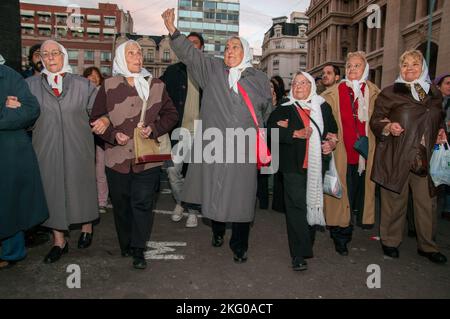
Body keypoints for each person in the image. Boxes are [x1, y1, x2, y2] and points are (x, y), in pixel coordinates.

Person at [162, 8, 272, 263]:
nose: (229, 51)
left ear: (246, 52)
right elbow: (191, 55)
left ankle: (240, 244)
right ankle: (219, 231)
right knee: (216, 190)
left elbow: (266, 109)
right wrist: (173, 31)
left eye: (235, 47)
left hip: (244, 148)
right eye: (227, 48)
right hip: (215, 145)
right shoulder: (212, 71)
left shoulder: (259, 79)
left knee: (242, 197)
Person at [90, 40, 178, 269]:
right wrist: (112, 134)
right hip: (116, 159)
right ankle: (126, 244)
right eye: (131, 53)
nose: (137, 57)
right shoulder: (108, 85)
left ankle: (139, 250)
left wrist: (154, 129)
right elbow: (97, 117)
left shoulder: (156, 84)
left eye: (139, 53)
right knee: (121, 205)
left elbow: (171, 114)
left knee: (143, 204)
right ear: (121, 57)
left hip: (146, 160)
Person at [26, 40, 104, 263]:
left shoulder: (83, 85)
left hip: (79, 146)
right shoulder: (29, 86)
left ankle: (87, 226)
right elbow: (26, 119)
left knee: (82, 186)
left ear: (64, 56)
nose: (50, 57)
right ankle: (59, 242)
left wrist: (105, 119)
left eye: (55, 53)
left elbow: (99, 111)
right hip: (45, 149)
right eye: (45, 54)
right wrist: (15, 108)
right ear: (40, 59)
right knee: (52, 192)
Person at [370, 50, 447, 264]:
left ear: (422, 68)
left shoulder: (434, 93)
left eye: (415, 64)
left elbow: (437, 116)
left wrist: (440, 130)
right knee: (394, 200)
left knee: (426, 203)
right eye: (405, 65)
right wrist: (388, 126)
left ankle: (428, 246)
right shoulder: (390, 92)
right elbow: (375, 121)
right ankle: (390, 241)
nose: (410, 68)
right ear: (400, 69)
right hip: (397, 154)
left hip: (425, 157)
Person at [267, 71, 338, 271]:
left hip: (316, 166)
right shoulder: (284, 107)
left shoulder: (322, 106)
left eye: (303, 83)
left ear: (311, 87)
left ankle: (306, 241)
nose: (298, 87)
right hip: (292, 167)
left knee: (311, 203)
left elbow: (333, 131)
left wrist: (331, 143)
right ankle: (299, 253)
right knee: (297, 208)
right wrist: (293, 133)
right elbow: (270, 130)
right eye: (295, 83)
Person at [321, 51, 380, 256]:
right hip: (341, 153)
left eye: (357, 66)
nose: (353, 69)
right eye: (349, 66)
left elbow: (381, 122)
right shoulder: (331, 94)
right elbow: (322, 122)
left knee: (357, 196)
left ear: (365, 69)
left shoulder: (375, 93)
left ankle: (349, 225)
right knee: (340, 195)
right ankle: (341, 235)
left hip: (365, 155)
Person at [0, 64, 49, 269]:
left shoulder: (8, 75)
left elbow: (30, 109)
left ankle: (11, 253)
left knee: (10, 202)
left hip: (8, 153)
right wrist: (4, 108)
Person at [160, 32, 204, 228]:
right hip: (177, 132)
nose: (191, 46)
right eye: (187, 43)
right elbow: (156, 92)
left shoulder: (208, 70)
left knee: (195, 174)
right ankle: (181, 202)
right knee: (171, 170)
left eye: (195, 43)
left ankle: (193, 210)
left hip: (202, 134)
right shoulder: (172, 71)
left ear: (201, 48)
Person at [83, 66, 110, 215]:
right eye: (89, 75)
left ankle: (102, 201)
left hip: (100, 137)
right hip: (84, 138)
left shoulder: (104, 92)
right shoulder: (80, 92)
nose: (92, 77)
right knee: (86, 170)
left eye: (95, 75)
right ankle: (87, 199)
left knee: (100, 170)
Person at [434, 73, 450, 221]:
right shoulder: (433, 102)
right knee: (437, 172)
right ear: (438, 86)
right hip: (437, 144)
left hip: (447, 144)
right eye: (448, 83)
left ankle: (447, 208)